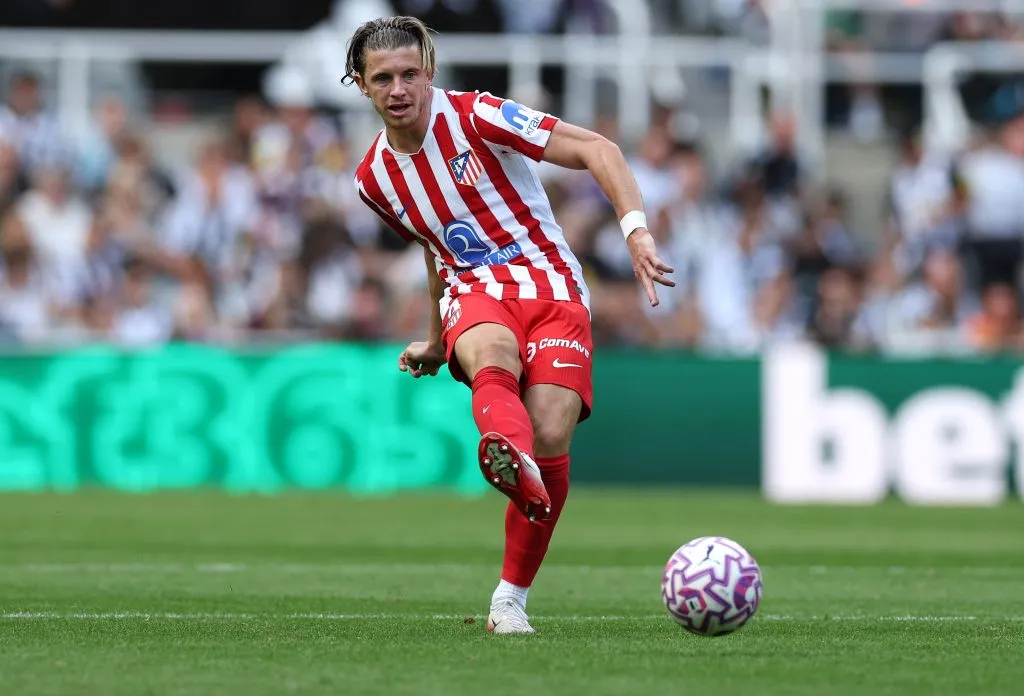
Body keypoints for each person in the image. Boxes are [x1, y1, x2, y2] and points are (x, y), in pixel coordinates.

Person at [345, 15, 674, 634]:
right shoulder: (372, 182)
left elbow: (598, 149)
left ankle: (509, 598)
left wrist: (636, 232)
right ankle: (508, 451)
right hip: (476, 292)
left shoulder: (478, 115)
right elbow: (435, 245)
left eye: (410, 74)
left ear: (430, 73)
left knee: (552, 430)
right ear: (361, 86)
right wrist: (439, 338)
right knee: (491, 351)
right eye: (383, 78)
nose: (399, 89)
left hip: (552, 286)